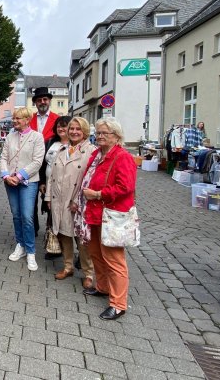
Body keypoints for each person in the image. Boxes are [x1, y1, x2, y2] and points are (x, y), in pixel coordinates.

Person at [76, 117, 137, 320]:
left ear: (116, 137)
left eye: (105, 133)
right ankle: (102, 287)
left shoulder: (122, 157)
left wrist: (99, 194)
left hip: (112, 215)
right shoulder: (97, 154)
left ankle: (118, 303)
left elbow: (125, 187)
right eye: (98, 133)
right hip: (94, 213)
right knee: (96, 253)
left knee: (114, 259)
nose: (100, 136)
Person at [46, 117, 97, 288]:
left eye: (78, 129)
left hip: (77, 201)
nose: (74, 131)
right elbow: (51, 176)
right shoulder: (61, 149)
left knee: (81, 239)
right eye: (72, 128)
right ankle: (68, 267)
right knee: (63, 234)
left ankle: (88, 273)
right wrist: (48, 198)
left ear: (85, 132)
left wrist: (78, 200)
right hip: (58, 199)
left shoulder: (91, 151)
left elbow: (91, 179)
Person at [0, 107, 46, 271]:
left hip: (28, 182)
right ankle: (20, 244)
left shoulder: (37, 137)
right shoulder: (10, 136)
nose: (15, 121)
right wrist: (6, 176)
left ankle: (31, 251)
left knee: (27, 217)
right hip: (9, 182)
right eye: (14, 118)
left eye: (18, 118)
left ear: (27, 120)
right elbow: (3, 157)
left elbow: (37, 161)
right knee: (16, 215)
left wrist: (19, 176)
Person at [39, 116, 72, 260]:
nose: (61, 129)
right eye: (59, 126)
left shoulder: (75, 143)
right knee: (52, 216)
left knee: (69, 218)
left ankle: (75, 253)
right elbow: (43, 164)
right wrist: (42, 182)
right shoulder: (50, 142)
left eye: (65, 126)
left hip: (69, 187)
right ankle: (54, 248)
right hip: (50, 186)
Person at [30, 86, 60, 238]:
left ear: (49, 101)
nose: (42, 102)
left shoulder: (58, 119)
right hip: (32, 165)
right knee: (30, 200)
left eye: (45, 99)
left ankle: (52, 233)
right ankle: (33, 228)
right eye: (39, 100)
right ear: (35, 102)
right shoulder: (29, 119)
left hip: (49, 166)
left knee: (50, 200)